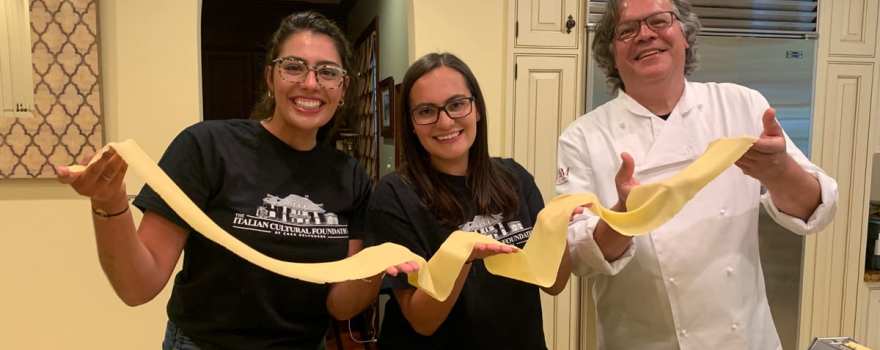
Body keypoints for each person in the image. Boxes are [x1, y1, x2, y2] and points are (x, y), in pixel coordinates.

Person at [56, 12, 416, 350]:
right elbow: (137, 286)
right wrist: (108, 203)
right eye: (294, 67)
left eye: (327, 72)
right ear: (270, 78)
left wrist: (373, 267)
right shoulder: (207, 147)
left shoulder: (349, 175)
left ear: (342, 88)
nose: (310, 83)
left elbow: (340, 307)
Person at [556, 0, 839, 349]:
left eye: (659, 21)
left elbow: (819, 210)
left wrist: (780, 172)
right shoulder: (583, 137)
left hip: (744, 339)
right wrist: (626, 217)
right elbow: (577, 258)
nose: (645, 35)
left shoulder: (740, 104)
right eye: (627, 30)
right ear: (611, 54)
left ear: (685, 35)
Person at [365, 52, 572, 349]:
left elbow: (553, 283)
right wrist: (461, 257)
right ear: (411, 124)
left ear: (476, 109)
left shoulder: (515, 178)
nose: (445, 121)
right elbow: (422, 321)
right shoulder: (395, 196)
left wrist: (558, 231)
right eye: (426, 111)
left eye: (457, 104)